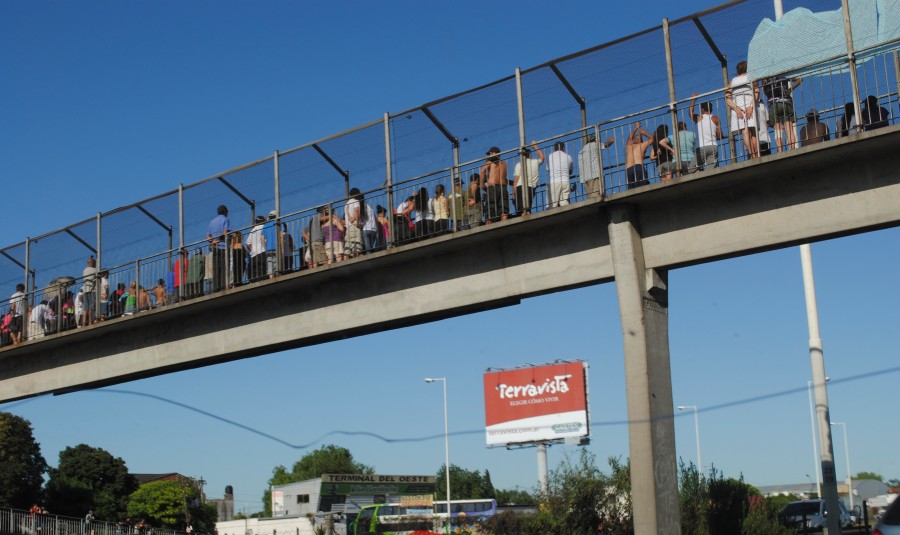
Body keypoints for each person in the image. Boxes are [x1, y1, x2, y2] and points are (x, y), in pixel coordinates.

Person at [726, 61, 761, 159]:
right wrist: (751, 106)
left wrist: (736, 109)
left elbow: (727, 98)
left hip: (739, 109)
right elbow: (757, 92)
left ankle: (752, 154)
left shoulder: (732, 81)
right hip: (750, 107)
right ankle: (757, 155)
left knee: (745, 133)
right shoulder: (752, 78)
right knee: (753, 133)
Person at [761, 75, 802, 151]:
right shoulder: (783, 76)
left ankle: (780, 151)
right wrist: (790, 90)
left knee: (777, 130)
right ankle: (792, 149)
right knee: (789, 129)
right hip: (786, 102)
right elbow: (799, 79)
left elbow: (766, 92)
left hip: (773, 104)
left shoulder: (766, 78)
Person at [690, 94, 723, 169]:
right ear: (711, 109)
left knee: (692, 169)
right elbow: (720, 135)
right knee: (711, 170)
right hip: (713, 146)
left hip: (701, 147)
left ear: (702, 109)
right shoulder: (715, 118)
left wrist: (693, 100)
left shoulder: (699, 118)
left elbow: (690, 113)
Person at [513, 142, 545, 215]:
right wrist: (535, 147)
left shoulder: (519, 164)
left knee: (520, 209)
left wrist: (514, 193)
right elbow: (542, 157)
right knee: (528, 206)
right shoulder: (535, 162)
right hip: (531, 187)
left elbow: (516, 180)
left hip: (520, 187)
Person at [480, 147, 510, 223]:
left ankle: (488, 228)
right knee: (504, 209)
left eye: (490, 153)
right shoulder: (504, 164)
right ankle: (504, 225)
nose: (488, 156)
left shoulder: (490, 161)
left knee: (490, 210)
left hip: (493, 187)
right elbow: (505, 177)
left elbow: (482, 171)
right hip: (503, 187)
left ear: (495, 153)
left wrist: (482, 185)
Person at [206, 204, 230, 293]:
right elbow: (224, 233)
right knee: (224, 267)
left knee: (216, 268)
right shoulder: (225, 219)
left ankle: (216, 288)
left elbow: (207, 236)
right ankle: (223, 286)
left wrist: (213, 241)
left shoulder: (212, 222)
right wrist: (220, 239)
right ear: (225, 211)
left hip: (215, 248)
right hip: (223, 247)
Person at [625, 122, 654, 189]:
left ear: (633, 140)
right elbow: (653, 138)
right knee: (643, 188)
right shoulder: (642, 145)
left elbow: (629, 138)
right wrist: (644, 133)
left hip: (629, 169)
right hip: (638, 168)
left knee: (632, 191)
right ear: (641, 140)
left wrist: (635, 128)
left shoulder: (628, 146)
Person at [547, 141, 573, 207]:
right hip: (565, 181)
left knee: (553, 204)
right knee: (564, 203)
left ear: (554, 148)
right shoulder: (568, 157)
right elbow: (570, 171)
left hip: (554, 182)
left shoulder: (550, 156)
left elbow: (548, 170)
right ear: (563, 148)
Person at [344, 188, 365, 258]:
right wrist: (358, 222)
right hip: (354, 226)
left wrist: (351, 219)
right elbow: (356, 211)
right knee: (356, 246)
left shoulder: (346, 204)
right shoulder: (355, 201)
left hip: (348, 227)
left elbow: (348, 215)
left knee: (348, 247)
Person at [246, 215, 267, 281]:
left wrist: (252, 249)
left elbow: (248, 243)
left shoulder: (253, 230)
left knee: (255, 270)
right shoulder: (264, 227)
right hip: (262, 251)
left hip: (254, 254)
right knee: (263, 269)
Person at [81, 256, 98, 326]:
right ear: (93, 263)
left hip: (85, 290)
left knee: (85, 308)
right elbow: (95, 280)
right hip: (92, 290)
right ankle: (90, 322)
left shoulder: (84, 270)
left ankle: (83, 323)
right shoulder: (95, 270)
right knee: (91, 307)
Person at [262, 211, 279, 279]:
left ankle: (271, 278)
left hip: (268, 249)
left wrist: (265, 247)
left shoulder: (265, 226)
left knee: (269, 264)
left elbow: (262, 238)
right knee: (276, 264)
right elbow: (280, 236)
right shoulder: (277, 224)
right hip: (276, 247)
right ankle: (276, 278)